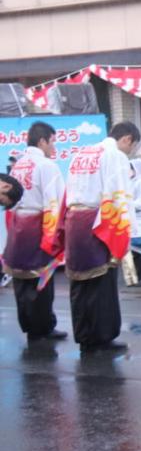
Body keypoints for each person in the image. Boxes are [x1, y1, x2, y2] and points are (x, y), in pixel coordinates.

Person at [64, 121, 138, 354]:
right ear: (126, 139)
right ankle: (102, 337)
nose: (129, 152)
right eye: (132, 147)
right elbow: (119, 195)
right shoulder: (114, 155)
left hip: (74, 219)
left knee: (79, 283)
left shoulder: (81, 153)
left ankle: (84, 336)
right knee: (101, 282)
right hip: (99, 221)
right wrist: (125, 231)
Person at [2, 122, 68, 342]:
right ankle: (43, 326)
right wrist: (55, 236)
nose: (53, 147)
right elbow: (55, 201)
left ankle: (30, 326)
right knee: (41, 280)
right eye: (52, 141)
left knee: (21, 280)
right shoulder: (47, 166)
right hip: (38, 225)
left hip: (18, 226)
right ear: (42, 141)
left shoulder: (18, 165)